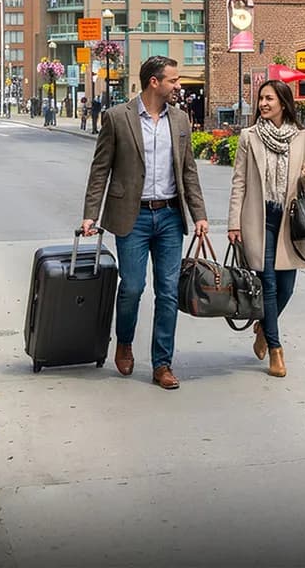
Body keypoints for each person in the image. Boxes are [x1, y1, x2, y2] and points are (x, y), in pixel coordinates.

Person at [81, 56, 208, 390]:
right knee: (133, 287)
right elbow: (100, 170)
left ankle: (162, 364)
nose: (178, 86)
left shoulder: (179, 120)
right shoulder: (117, 117)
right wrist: (90, 214)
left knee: (167, 293)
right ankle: (124, 340)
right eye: (173, 80)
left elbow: (188, 171)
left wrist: (200, 216)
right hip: (131, 216)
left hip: (168, 215)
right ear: (155, 82)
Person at [227, 79, 305, 379]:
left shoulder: (302, 138)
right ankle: (276, 350)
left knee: (287, 288)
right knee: (267, 284)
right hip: (259, 219)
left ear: (283, 102)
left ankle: (264, 328)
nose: (263, 104)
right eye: (261, 99)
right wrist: (233, 223)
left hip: (288, 222)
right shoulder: (248, 137)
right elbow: (239, 181)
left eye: (269, 99)